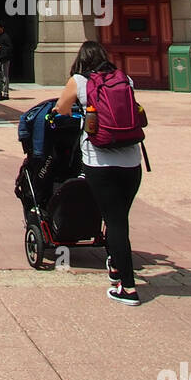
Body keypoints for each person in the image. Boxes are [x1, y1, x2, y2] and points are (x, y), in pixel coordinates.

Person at [53, 40, 143, 305]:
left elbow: (61, 109)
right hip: (131, 161)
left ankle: (127, 287)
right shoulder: (123, 78)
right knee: (118, 218)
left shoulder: (79, 81)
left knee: (114, 222)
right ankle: (115, 265)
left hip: (100, 161)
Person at [0, 24, 13, 99]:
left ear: (2, 28)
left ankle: (5, 93)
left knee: (5, 76)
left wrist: (1, 47)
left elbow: (10, 48)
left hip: (5, 59)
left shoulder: (6, 37)